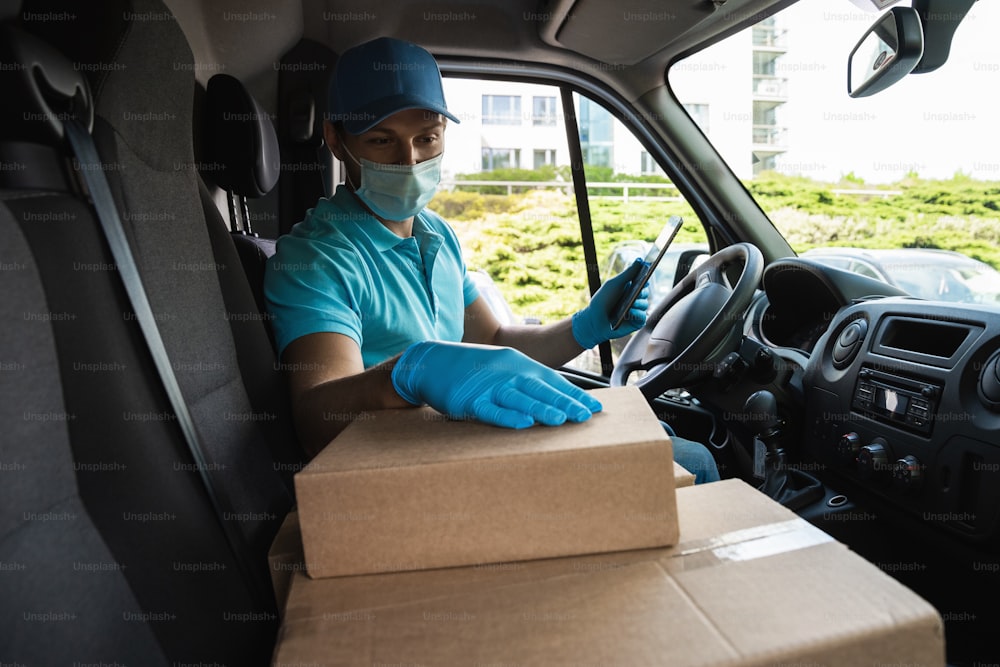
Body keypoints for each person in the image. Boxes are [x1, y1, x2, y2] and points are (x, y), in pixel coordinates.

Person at [264, 37, 719, 484]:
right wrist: (406, 373)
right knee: (690, 462)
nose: (409, 159)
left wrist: (585, 326)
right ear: (336, 140)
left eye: (427, 137)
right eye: (382, 140)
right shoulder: (317, 256)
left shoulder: (435, 232)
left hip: (461, 443)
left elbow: (493, 338)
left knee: (664, 441)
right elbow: (314, 420)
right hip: (401, 473)